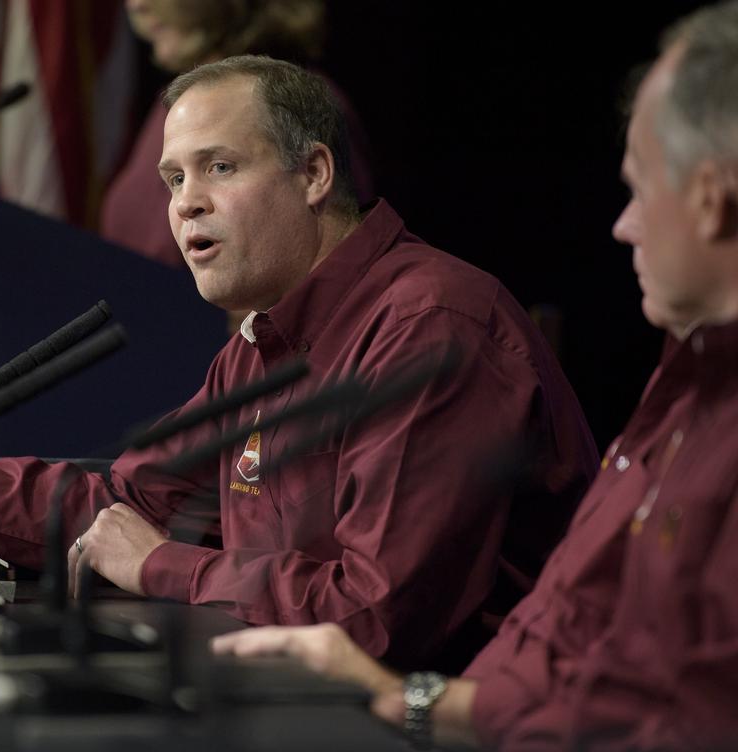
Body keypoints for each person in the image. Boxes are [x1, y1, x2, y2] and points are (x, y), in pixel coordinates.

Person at [0, 55, 596, 673]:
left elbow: (373, 616)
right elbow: (116, 506)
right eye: (174, 177)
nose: (183, 203)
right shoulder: (264, 342)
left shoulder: (429, 327)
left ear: (313, 173)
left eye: (219, 168)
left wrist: (162, 565)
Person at [212, 3, 738, 748]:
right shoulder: (684, 384)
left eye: (641, 188)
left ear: (712, 201)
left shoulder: (435, 324)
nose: (622, 225)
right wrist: (410, 703)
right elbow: (562, 649)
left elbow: (674, 721)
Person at [102, 0, 374, 269]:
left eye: (220, 167)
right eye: (176, 179)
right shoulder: (176, 108)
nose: (136, 5)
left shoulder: (300, 105)